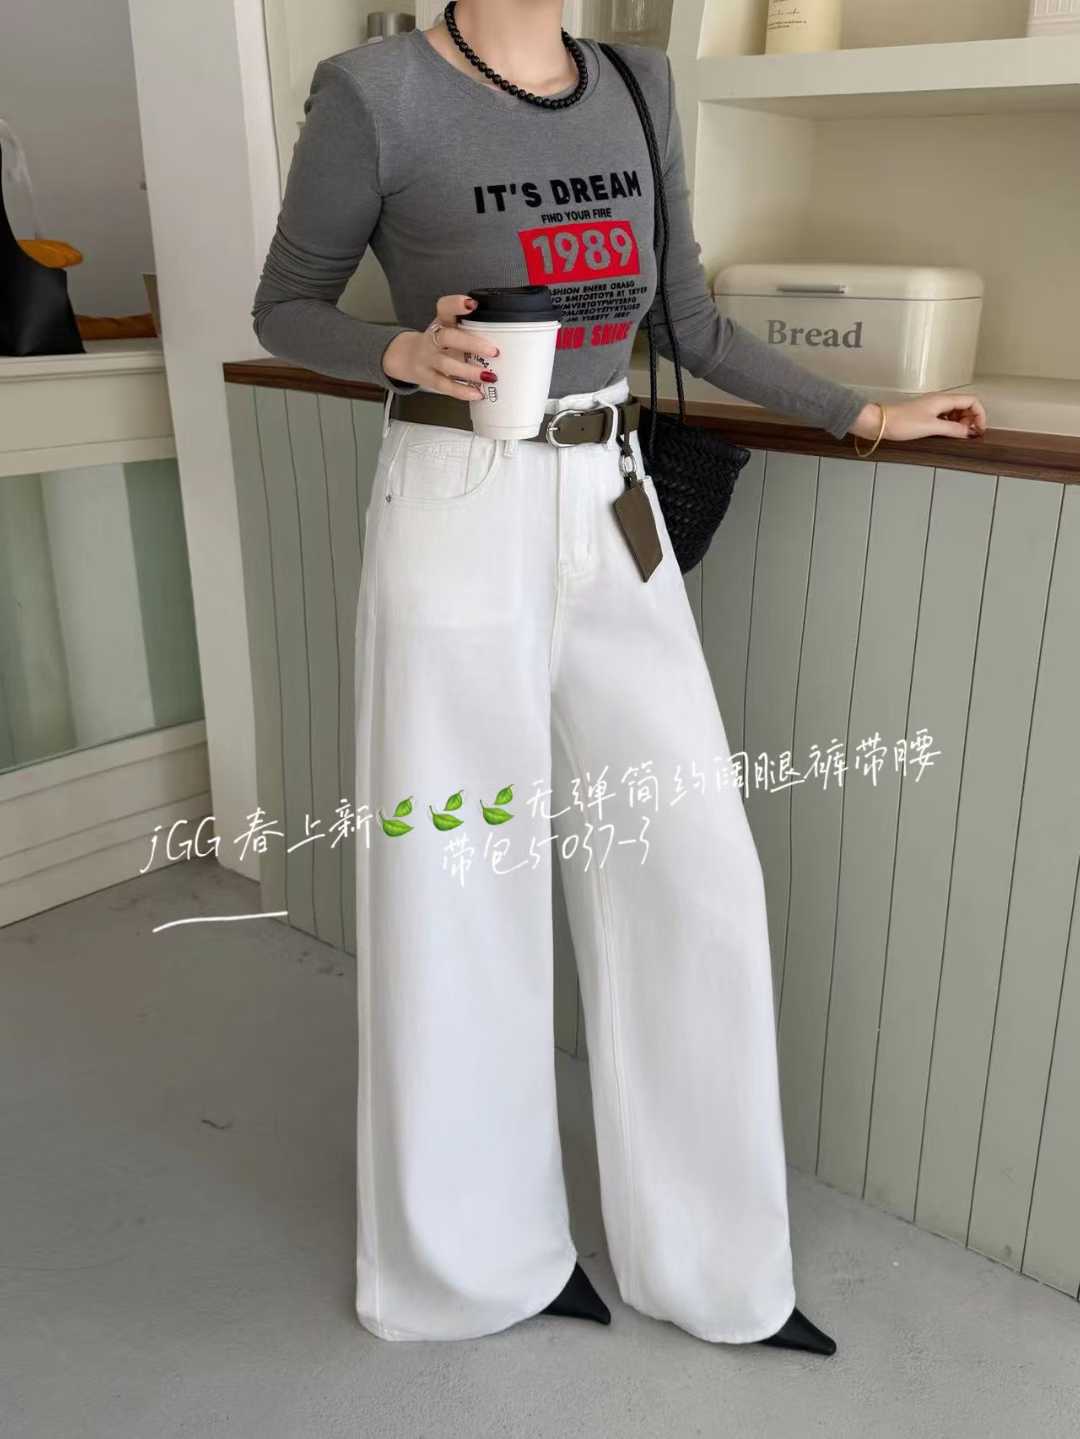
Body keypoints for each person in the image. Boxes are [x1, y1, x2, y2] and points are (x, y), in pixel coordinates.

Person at [250, 0, 988, 1355]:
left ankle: (711, 1267)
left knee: (694, 866)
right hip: (458, 492)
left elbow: (689, 319)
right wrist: (401, 351)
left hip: (611, 491)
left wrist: (870, 412)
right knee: (457, 876)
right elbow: (283, 308)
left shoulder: (639, 87)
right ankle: (475, 1262)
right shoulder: (375, 93)